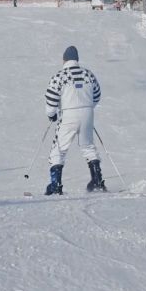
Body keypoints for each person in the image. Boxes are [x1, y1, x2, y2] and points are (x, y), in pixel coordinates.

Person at [43, 45, 104, 194]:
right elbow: (97, 95)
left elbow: (51, 98)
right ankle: (97, 180)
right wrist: (88, 107)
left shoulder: (60, 75)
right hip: (87, 113)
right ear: (77, 59)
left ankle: (56, 185)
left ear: (64, 59)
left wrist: (51, 114)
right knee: (88, 146)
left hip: (68, 114)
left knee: (59, 148)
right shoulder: (88, 74)